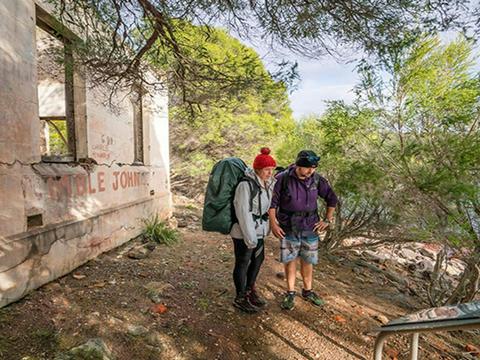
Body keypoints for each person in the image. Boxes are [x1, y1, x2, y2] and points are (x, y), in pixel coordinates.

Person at [268, 150, 338, 310]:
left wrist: (327, 219)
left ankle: (307, 291)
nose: (310, 171)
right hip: (288, 227)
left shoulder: (317, 179)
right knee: (290, 260)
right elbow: (272, 203)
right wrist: (273, 224)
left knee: (308, 260)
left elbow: (331, 198)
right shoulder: (282, 178)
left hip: (310, 226)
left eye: (313, 168)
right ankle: (290, 292)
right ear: (298, 165)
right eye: (307, 168)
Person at [230, 147, 277, 313]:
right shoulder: (245, 185)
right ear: (257, 169)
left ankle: (250, 291)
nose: (270, 173)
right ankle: (240, 297)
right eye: (266, 170)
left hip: (258, 231)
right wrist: (250, 238)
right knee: (243, 262)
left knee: (258, 260)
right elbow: (243, 212)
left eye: (271, 169)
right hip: (243, 231)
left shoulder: (267, 184)